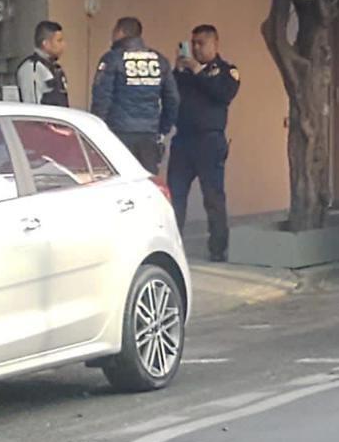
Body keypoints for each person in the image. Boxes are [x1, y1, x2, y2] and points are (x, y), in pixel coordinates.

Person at [169, 25, 240, 263]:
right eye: (194, 43)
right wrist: (178, 70)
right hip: (183, 141)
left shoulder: (226, 70)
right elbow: (171, 94)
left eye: (201, 43)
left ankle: (218, 248)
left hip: (209, 141)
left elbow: (223, 94)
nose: (196, 48)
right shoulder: (185, 72)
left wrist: (197, 70)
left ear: (214, 44)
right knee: (175, 196)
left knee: (213, 197)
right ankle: (172, 245)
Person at [91, 16, 180, 174]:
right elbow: (173, 99)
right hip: (149, 135)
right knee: (146, 186)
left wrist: (97, 132)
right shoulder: (159, 60)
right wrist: (161, 130)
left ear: (121, 32)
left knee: (118, 185)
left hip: (118, 133)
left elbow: (101, 99)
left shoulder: (113, 59)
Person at [15, 21, 70, 106]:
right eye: (59, 41)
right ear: (46, 44)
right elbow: (33, 106)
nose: (63, 45)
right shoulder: (32, 68)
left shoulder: (55, 68)